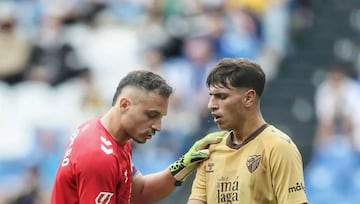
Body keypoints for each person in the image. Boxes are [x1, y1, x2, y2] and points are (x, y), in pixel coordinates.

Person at [51, 70, 223, 204]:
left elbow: (140, 191)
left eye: (161, 117)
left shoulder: (112, 138)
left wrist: (184, 164)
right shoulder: (99, 156)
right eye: (151, 115)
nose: (158, 126)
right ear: (125, 105)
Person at [187, 58, 308, 204]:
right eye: (211, 96)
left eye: (221, 96)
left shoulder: (279, 147)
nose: (211, 105)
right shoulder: (210, 149)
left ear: (249, 98)